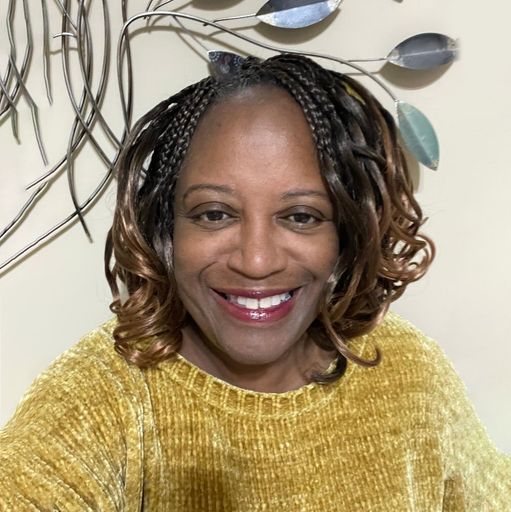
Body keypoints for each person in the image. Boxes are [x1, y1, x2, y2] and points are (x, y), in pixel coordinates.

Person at [1, 54, 510, 511]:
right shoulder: (97, 403)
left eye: (302, 216)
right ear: (166, 228)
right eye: (215, 213)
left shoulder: (407, 370)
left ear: (348, 233)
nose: (257, 261)